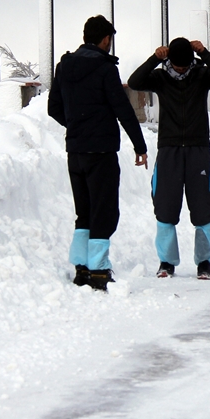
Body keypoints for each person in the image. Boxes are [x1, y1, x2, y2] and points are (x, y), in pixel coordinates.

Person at [48, 15, 149, 292]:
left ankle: (81, 268)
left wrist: (77, 125)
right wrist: (140, 146)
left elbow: (53, 108)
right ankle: (99, 270)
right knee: (104, 211)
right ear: (106, 39)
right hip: (101, 152)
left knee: (84, 212)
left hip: (75, 151)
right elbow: (123, 110)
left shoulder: (64, 67)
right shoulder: (105, 68)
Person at [127, 37, 210, 279]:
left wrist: (205, 53)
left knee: (202, 208)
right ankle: (167, 262)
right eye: (177, 66)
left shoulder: (201, 75)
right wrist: (155, 59)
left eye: (185, 66)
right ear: (169, 61)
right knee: (165, 207)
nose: (181, 70)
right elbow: (134, 82)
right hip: (169, 149)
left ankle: (204, 262)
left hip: (198, 149)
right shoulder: (160, 77)